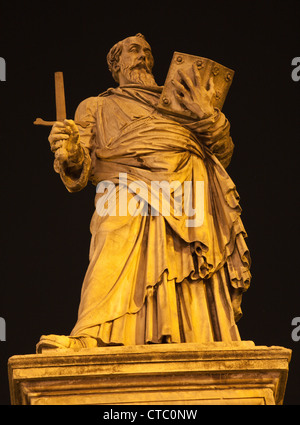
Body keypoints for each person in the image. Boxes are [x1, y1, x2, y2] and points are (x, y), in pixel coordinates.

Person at [36, 33, 251, 352]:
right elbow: (79, 166)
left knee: (186, 257)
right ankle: (88, 334)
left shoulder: (181, 98)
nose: (144, 57)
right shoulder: (96, 106)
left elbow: (223, 150)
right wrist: (67, 151)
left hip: (187, 183)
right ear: (116, 64)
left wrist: (208, 116)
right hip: (124, 182)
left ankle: (198, 335)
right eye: (134, 51)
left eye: (148, 52)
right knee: (112, 235)